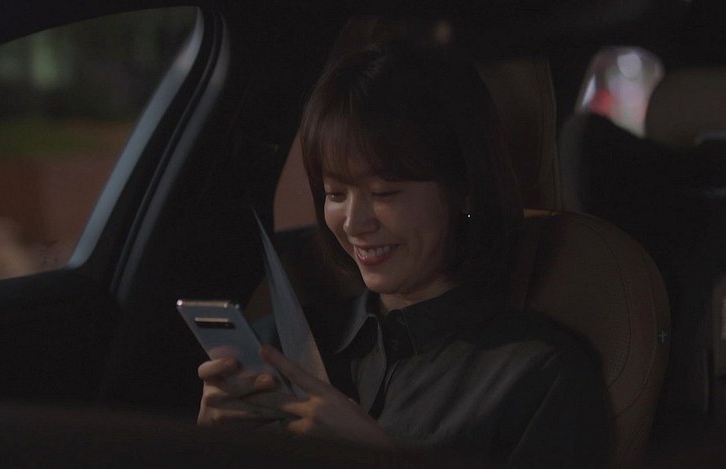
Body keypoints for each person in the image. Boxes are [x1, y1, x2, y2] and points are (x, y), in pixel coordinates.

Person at [196, 42, 610, 465]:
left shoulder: (538, 376)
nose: (354, 223)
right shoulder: (279, 345)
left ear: (464, 189)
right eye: (336, 193)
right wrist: (206, 448)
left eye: (384, 193)